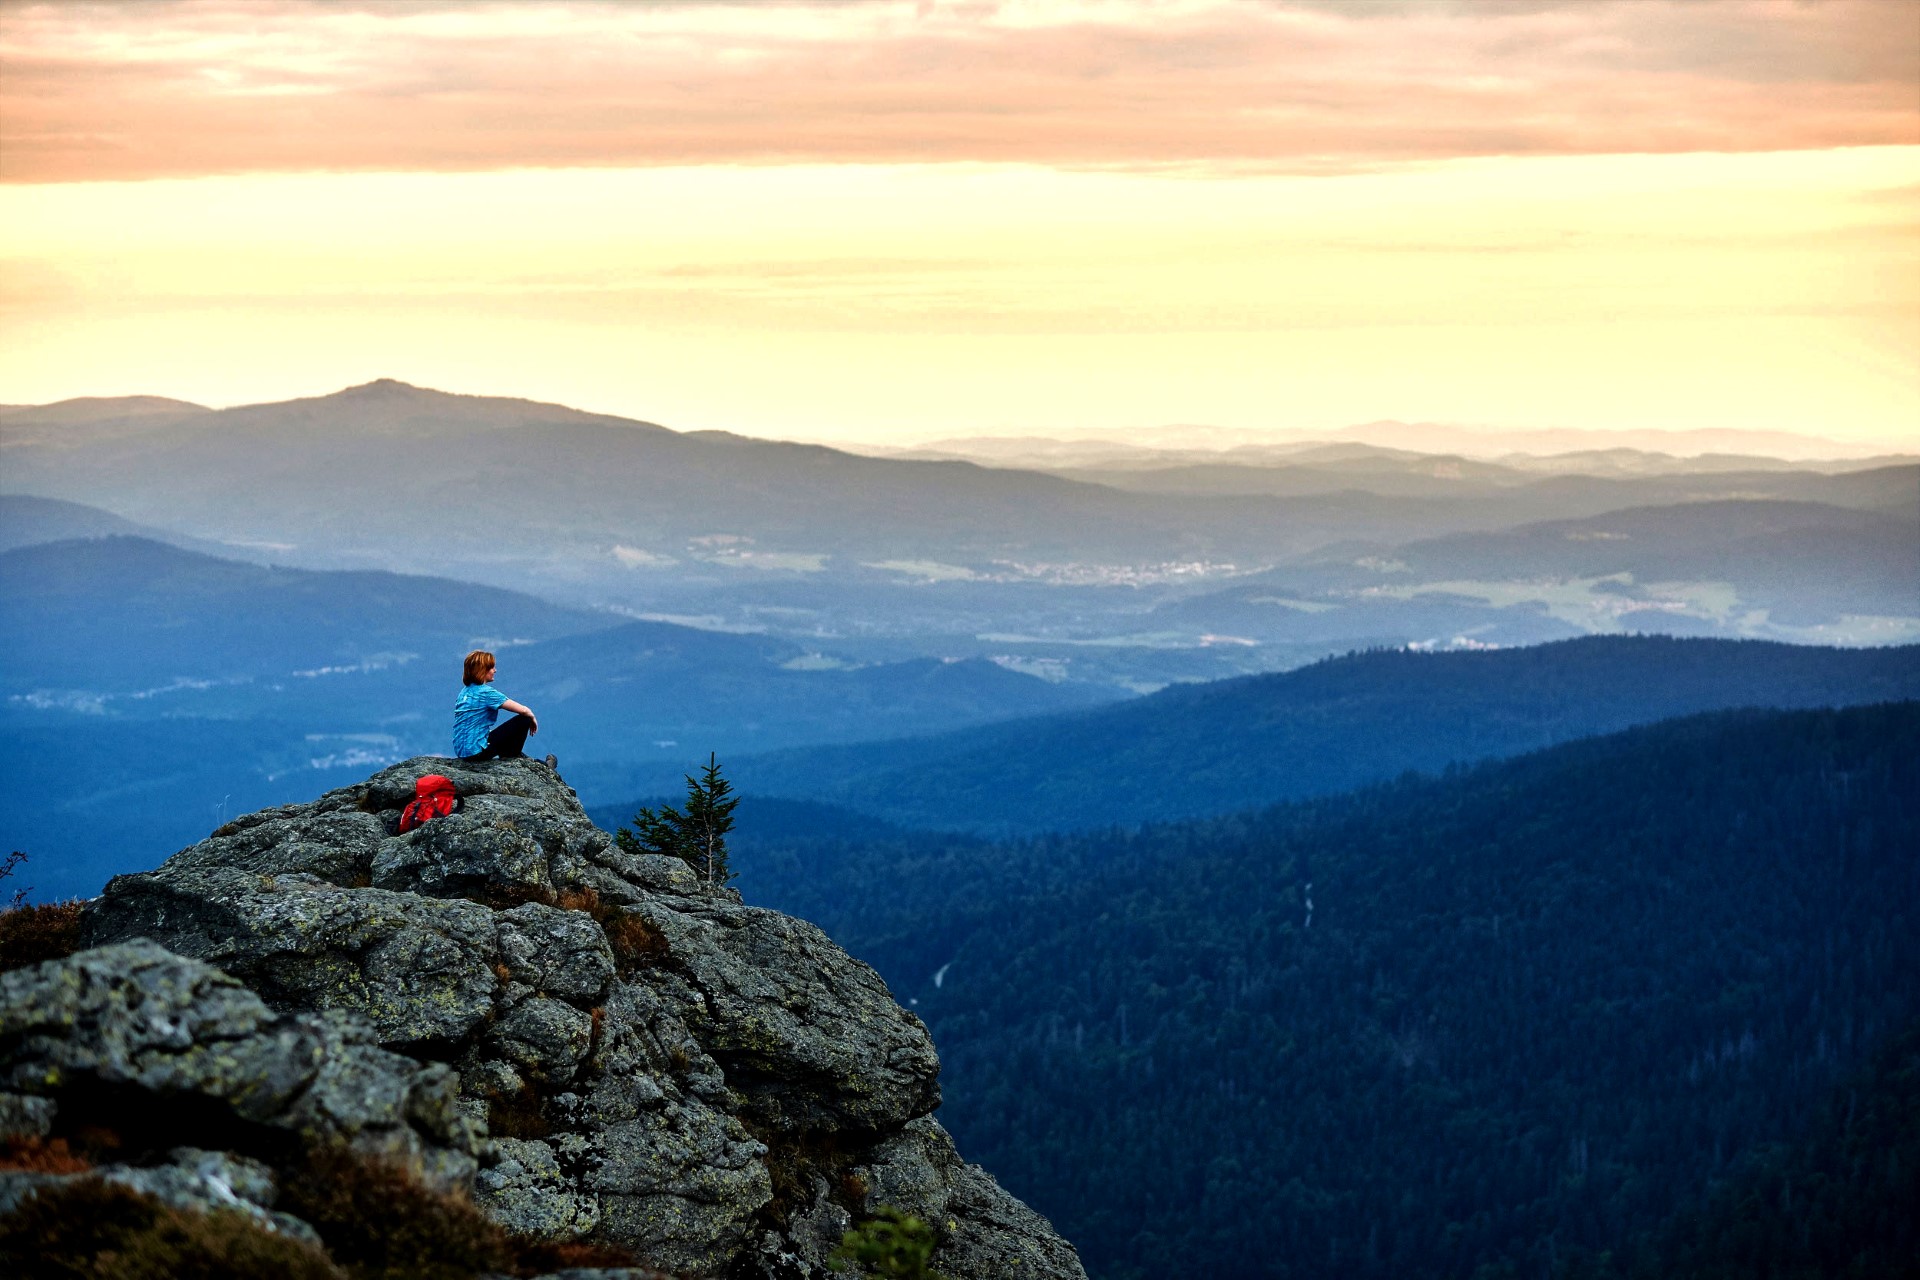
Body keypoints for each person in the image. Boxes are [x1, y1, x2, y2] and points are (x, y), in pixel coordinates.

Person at [453, 649, 542, 761]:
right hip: (476, 753)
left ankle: (515, 754)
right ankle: (512, 756)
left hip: (462, 752)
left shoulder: (464, 692)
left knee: (499, 734)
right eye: (491, 667)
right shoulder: (486, 692)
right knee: (524, 719)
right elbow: (523, 710)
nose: (495, 670)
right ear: (482, 670)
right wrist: (532, 717)